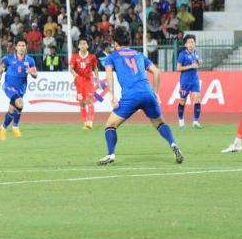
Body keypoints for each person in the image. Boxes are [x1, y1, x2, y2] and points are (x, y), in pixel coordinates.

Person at [98, 27, 183, 165]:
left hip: (131, 96)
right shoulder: (139, 55)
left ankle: (110, 154)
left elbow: (109, 76)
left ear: (115, 42)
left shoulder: (112, 57)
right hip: (148, 93)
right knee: (160, 123)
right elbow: (156, 72)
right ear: (129, 40)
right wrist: (156, 93)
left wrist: (112, 95)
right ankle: (173, 144)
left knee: (110, 125)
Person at [0, 38, 38, 140]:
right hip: (9, 86)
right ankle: (15, 127)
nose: (21, 48)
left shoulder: (30, 60)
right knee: (20, 103)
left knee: (11, 109)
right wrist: (0, 74)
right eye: (19, 45)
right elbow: (2, 66)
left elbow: (35, 75)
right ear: (16, 47)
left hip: (21, 88)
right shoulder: (9, 58)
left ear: (26, 47)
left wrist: (31, 72)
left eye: (23, 45)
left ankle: (3, 128)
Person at [69, 38, 100, 130]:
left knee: (89, 101)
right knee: (82, 103)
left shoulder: (92, 57)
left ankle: (90, 121)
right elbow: (71, 68)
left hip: (89, 80)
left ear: (87, 46)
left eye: (84, 44)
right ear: (78, 46)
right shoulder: (74, 56)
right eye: (81, 44)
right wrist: (75, 76)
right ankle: (85, 122)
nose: (83, 45)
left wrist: (97, 80)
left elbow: (95, 68)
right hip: (79, 81)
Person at [176, 35, 202, 129]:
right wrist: (190, 66)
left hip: (195, 81)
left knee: (197, 100)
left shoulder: (196, 52)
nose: (191, 44)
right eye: (189, 42)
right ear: (185, 44)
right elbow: (178, 68)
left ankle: (195, 121)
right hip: (185, 82)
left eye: (192, 42)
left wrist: (200, 62)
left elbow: (197, 63)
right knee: (183, 101)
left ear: (195, 43)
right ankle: (181, 121)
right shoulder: (182, 54)